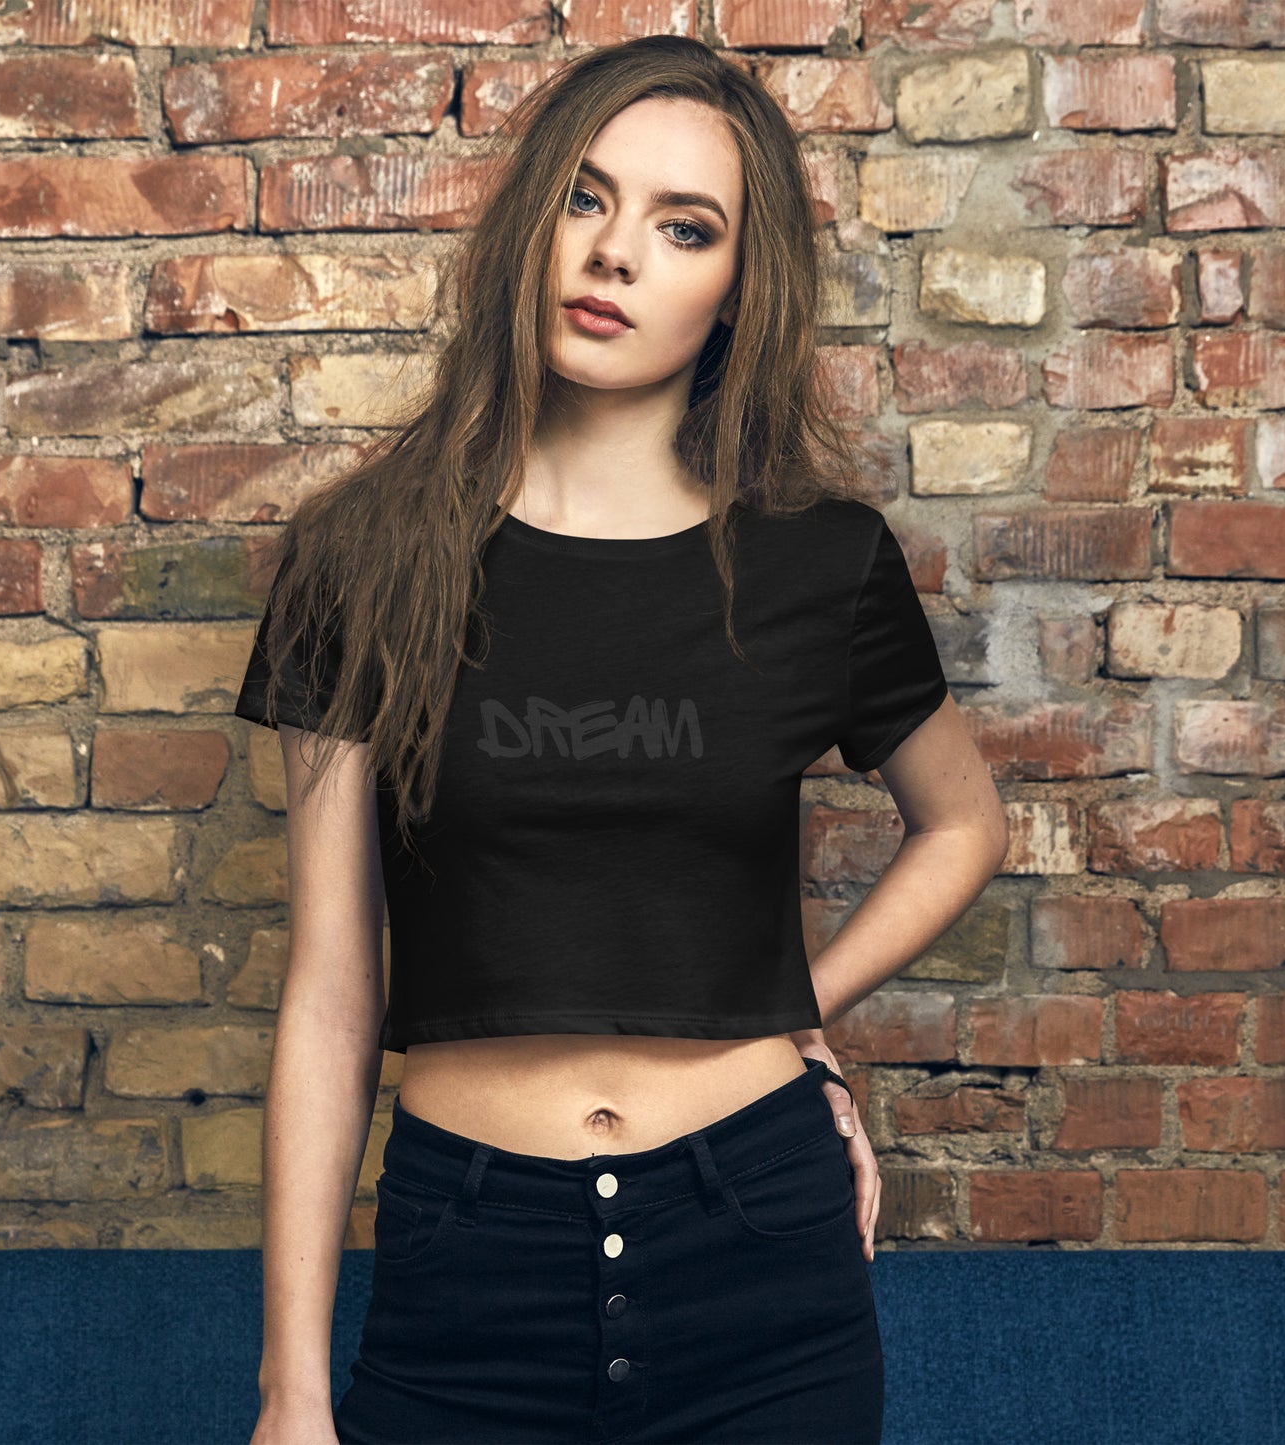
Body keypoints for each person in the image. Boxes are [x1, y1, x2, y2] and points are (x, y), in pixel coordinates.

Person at [236, 34, 1008, 1445]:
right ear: (532, 220)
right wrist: (292, 1386)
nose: (613, 256)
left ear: (732, 292)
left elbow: (963, 823)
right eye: (586, 200)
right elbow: (333, 992)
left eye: (681, 227)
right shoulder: (362, 559)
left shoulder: (816, 563)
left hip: (759, 1254)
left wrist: (796, 1001)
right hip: (466, 1267)